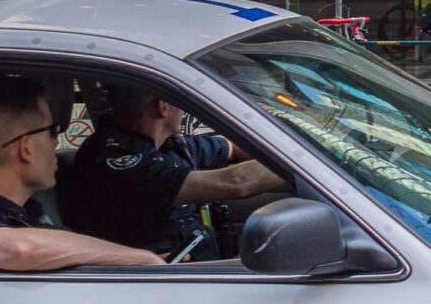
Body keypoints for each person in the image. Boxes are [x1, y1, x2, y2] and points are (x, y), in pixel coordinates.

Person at [0, 77, 162, 270]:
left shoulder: (25, 210)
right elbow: (19, 249)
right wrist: (140, 258)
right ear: (27, 148)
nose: (55, 143)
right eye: (52, 131)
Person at [64, 85, 286, 258]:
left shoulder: (166, 145)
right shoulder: (117, 164)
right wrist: (293, 160)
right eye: (180, 100)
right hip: (156, 288)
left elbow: (230, 148)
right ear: (163, 106)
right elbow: (237, 183)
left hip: (199, 275)